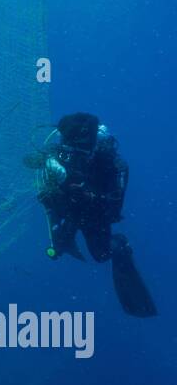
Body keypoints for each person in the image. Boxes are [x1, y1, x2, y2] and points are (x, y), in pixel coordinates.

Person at [30, 112, 156, 318]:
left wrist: (86, 194)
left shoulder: (111, 163)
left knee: (102, 255)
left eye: (77, 149)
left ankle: (121, 246)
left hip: (94, 215)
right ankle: (63, 239)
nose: (72, 153)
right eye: (67, 145)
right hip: (69, 209)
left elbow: (113, 208)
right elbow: (33, 162)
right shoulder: (61, 152)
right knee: (59, 246)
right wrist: (45, 167)